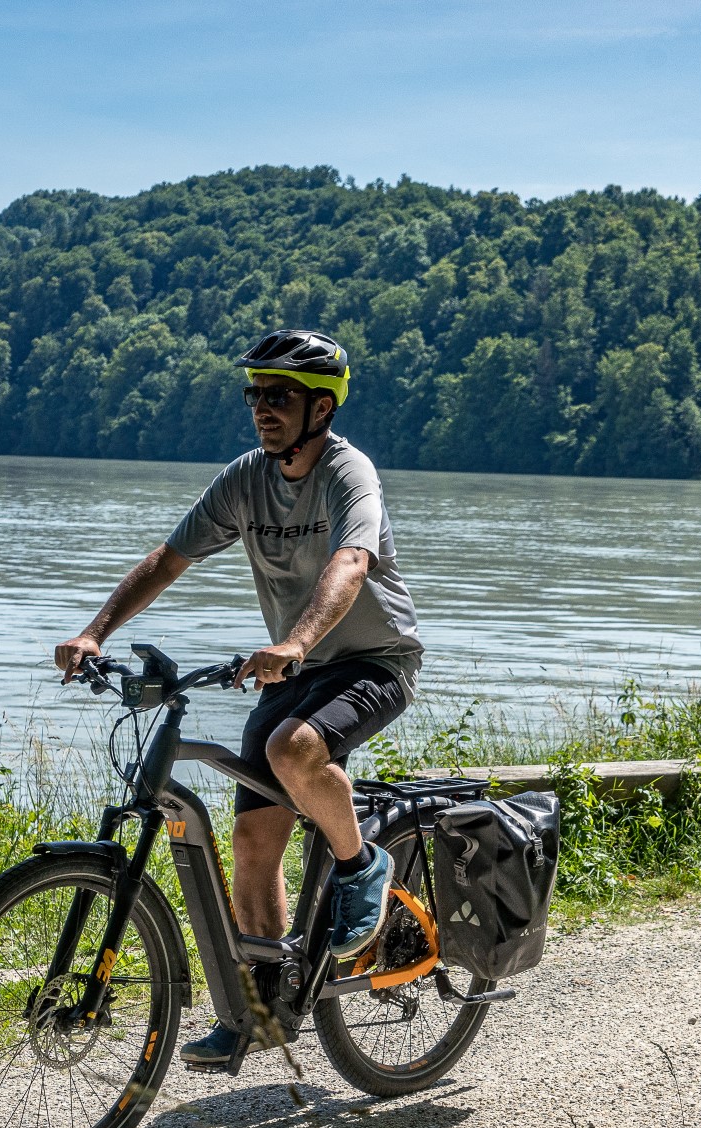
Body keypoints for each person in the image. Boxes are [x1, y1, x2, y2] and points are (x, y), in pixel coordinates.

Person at [53, 329, 423, 1069]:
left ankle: (360, 869)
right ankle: (263, 1007)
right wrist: (94, 631)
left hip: (374, 661)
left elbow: (351, 564)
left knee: (294, 748)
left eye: (279, 395)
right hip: (298, 669)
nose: (263, 407)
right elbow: (169, 557)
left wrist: (295, 641)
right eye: (255, 393)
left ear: (321, 407)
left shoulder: (351, 475)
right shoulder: (246, 479)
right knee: (253, 842)